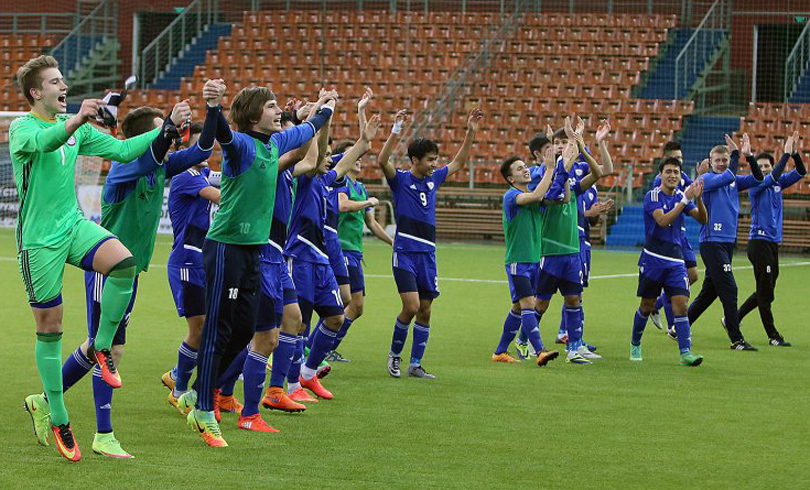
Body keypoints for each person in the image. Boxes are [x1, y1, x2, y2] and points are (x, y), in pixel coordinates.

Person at [15, 55, 160, 462]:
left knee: (123, 262)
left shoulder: (77, 131)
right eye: (55, 82)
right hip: (39, 241)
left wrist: (164, 130)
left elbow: (123, 148)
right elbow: (47, 142)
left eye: (64, 80)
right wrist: (78, 120)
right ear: (35, 92)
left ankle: (99, 345)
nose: (63, 86)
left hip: (73, 225)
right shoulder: (23, 128)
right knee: (51, 326)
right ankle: (57, 414)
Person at [178, 82, 336, 448]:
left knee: (246, 328)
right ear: (252, 115)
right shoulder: (240, 145)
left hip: (252, 251)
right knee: (219, 329)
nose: (277, 109)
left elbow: (309, 130)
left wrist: (327, 107)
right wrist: (213, 105)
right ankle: (203, 411)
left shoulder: (276, 144)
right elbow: (221, 134)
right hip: (225, 247)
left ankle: (197, 392)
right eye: (270, 105)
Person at [380, 108, 483, 379]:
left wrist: (470, 133)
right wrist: (396, 129)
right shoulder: (401, 181)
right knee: (411, 307)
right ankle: (394, 356)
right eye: (429, 160)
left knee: (425, 310)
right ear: (415, 160)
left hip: (427, 253)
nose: (434, 164)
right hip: (404, 251)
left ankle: (415, 364)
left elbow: (459, 163)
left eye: (436, 159)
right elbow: (382, 160)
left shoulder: (434, 179)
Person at [284, 111, 381, 400]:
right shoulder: (303, 180)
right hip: (300, 253)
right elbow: (313, 157)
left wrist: (365, 139)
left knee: (336, 316)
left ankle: (308, 373)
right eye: (326, 155)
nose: (329, 159)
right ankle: (290, 386)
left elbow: (356, 152)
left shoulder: (327, 181)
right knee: (298, 323)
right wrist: (319, 119)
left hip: (322, 257)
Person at [533, 118, 605, 365]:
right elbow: (549, 195)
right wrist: (568, 149)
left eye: (566, 142)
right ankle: (526, 341)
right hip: (550, 248)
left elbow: (599, 172)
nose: (562, 146)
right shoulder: (544, 173)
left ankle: (574, 348)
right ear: (550, 147)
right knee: (540, 303)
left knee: (574, 298)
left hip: (572, 248)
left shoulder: (574, 181)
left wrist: (582, 144)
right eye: (557, 142)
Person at [329, 109, 398, 362]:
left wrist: (393, 242)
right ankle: (320, 347)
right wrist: (366, 202)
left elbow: (370, 222)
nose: (359, 160)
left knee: (355, 307)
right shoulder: (341, 183)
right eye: (354, 156)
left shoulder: (360, 186)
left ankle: (325, 346)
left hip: (355, 253)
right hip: (341, 249)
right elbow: (342, 206)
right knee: (347, 304)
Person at [162, 122, 221, 409]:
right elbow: (220, 195)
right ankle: (179, 389)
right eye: (202, 143)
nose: (208, 149)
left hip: (201, 258)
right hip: (186, 259)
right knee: (198, 327)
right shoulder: (186, 176)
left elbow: (224, 179)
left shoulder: (204, 172)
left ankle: (176, 376)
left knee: (208, 326)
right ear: (186, 148)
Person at [687, 135, 763, 351]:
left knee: (710, 291)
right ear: (710, 162)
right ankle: (736, 338)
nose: (721, 163)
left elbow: (758, 179)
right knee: (730, 288)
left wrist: (749, 157)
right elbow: (729, 175)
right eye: (717, 160)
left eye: (725, 159)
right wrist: (737, 153)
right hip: (712, 242)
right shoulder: (706, 180)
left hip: (727, 242)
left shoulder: (733, 180)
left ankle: (679, 327)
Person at [629, 157, 707, 365]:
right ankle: (635, 344)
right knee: (646, 305)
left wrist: (697, 198)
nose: (673, 175)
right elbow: (662, 221)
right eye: (668, 171)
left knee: (681, 305)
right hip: (653, 260)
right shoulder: (652, 196)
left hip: (675, 261)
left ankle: (685, 353)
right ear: (660, 175)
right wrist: (684, 201)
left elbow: (702, 219)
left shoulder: (682, 196)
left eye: (676, 172)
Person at [737, 131, 806, 346]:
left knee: (766, 291)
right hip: (759, 243)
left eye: (768, 166)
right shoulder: (756, 185)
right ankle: (773, 336)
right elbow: (774, 176)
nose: (765, 170)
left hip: (772, 244)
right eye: (762, 167)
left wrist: (794, 154)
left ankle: (733, 318)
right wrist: (785, 154)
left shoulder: (778, 183)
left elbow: (801, 172)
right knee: (766, 294)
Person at [492, 149, 559, 366]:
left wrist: (563, 167)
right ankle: (540, 350)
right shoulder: (511, 196)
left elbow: (562, 197)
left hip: (533, 260)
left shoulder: (531, 195)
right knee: (529, 303)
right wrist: (549, 168)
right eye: (520, 168)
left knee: (519, 308)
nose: (526, 169)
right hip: (518, 262)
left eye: (525, 166)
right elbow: (539, 195)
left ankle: (500, 351)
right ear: (511, 178)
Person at [649, 141, 701, 332]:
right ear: (665, 159)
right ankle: (674, 326)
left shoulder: (681, 175)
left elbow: (693, 189)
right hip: (668, 238)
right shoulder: (660, 182)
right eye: (676, 158)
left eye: (681, 158)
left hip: (681, 234)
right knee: (679, 282)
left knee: (693, 275)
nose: (679, 162)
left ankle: (658, 304)